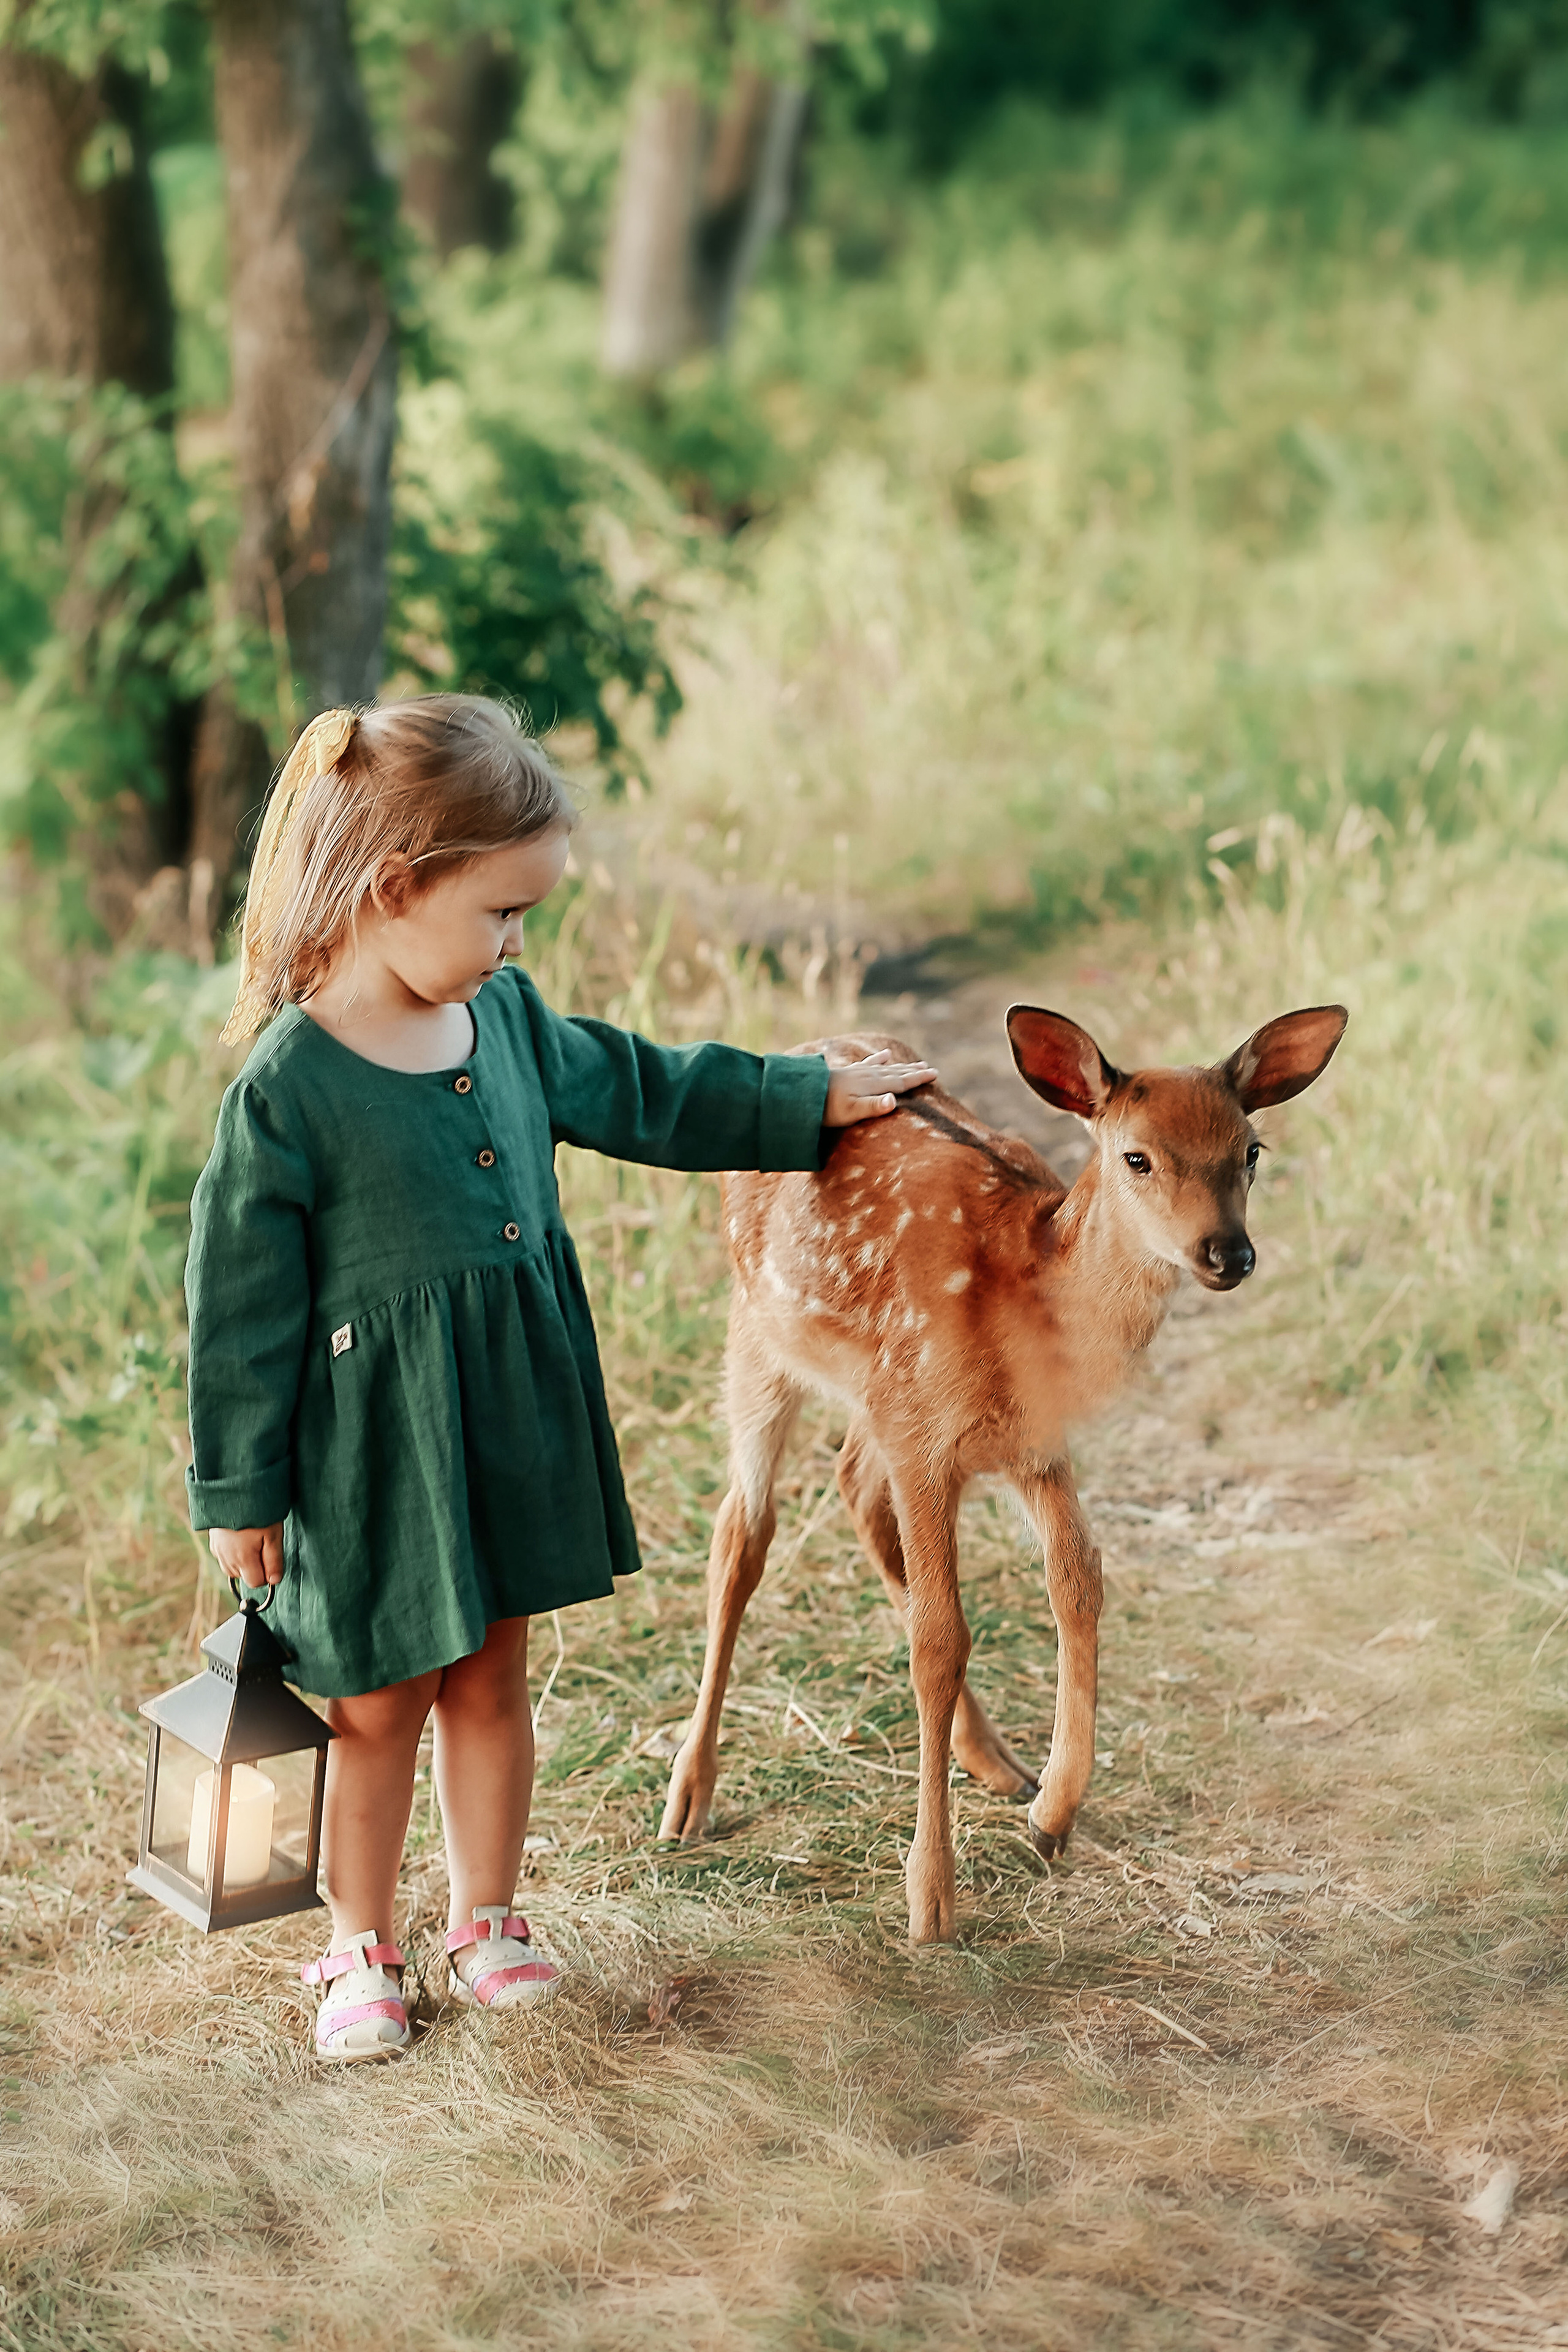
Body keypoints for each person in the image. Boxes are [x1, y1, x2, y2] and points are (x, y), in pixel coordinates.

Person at [185, 695, 936, 2062]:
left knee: (489, 1676)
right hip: (368, 1455)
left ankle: (488, 1918)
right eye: (499, 914)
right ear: (396, 887)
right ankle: (359, 1948)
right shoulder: (288, 1092)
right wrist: (241, 1490)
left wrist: (791, 1096)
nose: (516, 945)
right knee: (375, 1708)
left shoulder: (510, 1022)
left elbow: (644, 1089)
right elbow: (235, 1316)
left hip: (502, 1417)